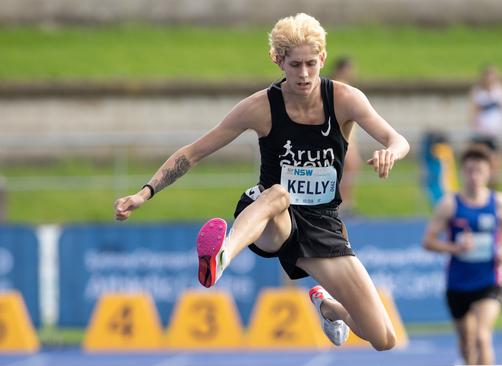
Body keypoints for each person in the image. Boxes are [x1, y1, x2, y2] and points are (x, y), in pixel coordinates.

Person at [114, 13, 410, 351]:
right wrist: (145, 192)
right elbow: (193, 153)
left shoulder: (344, 99)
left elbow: (398, 138)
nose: (303, 74)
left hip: (322, 224)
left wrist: (391, 152)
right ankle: (221, 256)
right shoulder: (260, 107)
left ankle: (328, 307)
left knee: (384, 338)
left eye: (311, 64)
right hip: (269, 217)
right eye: (295, 64)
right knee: (279, 194)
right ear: (278, 60)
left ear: (322, 59)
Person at [422, 145, 502, 365]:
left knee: (483, 337)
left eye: (480, 171)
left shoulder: (500, 202)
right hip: (458, 283)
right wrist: (455, 248)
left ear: (489, 172)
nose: (474, 176)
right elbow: (428, 242)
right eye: (470, 170)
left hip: (489, 279)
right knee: (467, 343)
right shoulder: (449, 204)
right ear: (463, 172)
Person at [330, 56, 362, 215]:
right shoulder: (337, 87)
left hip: (349, 137)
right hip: (342, 137)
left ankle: (346, 203)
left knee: (350, 168)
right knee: (345, 168)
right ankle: (342, 204)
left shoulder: (344, 87)